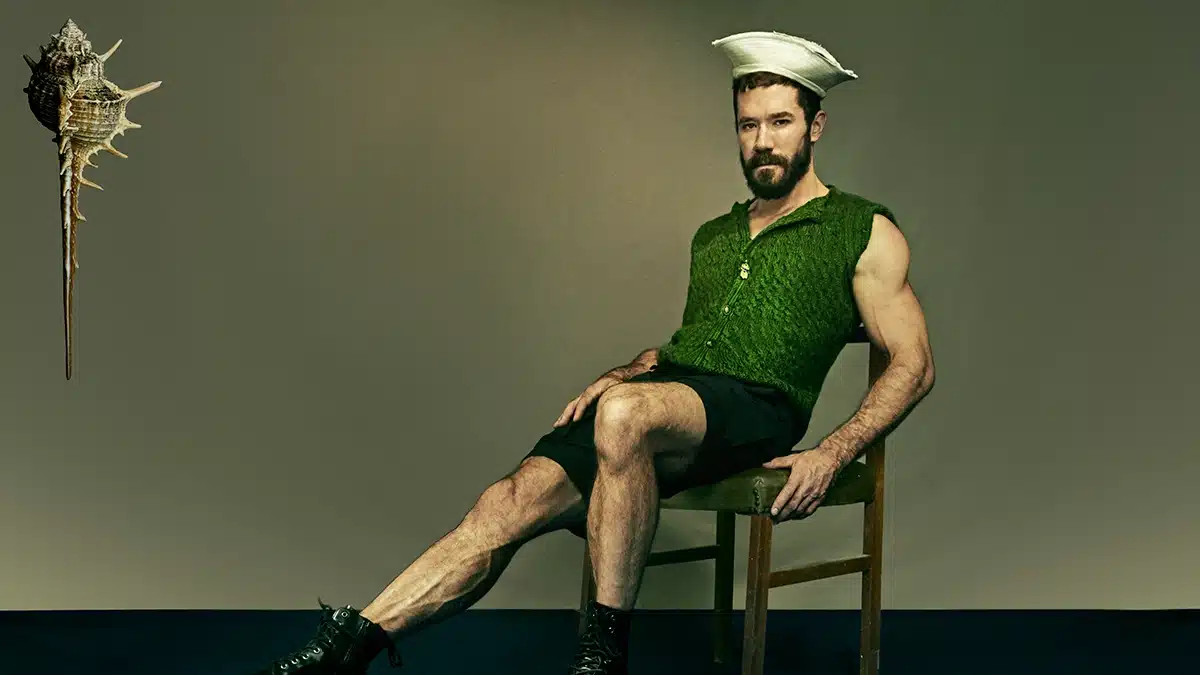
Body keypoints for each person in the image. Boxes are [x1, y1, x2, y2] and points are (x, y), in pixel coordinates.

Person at [248, 30, 935, 675]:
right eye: (747, 125)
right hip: (676, 399)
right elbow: (693, 346)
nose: (762, 142)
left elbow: (913, 362)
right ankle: (350, 644)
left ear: (815, 126)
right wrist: (631, 369)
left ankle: (602, 658)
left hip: (758, 410)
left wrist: (832, 451)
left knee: (623, 415)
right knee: (508, 498)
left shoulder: (862, 228)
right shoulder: (714, 235)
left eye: (779, 123)